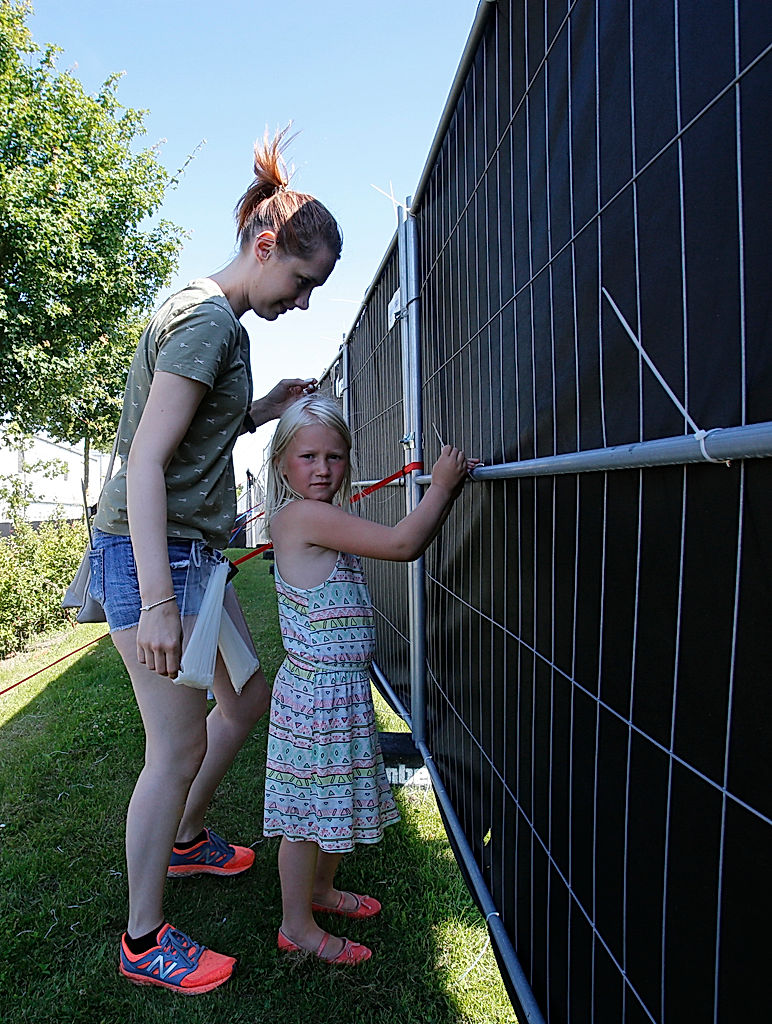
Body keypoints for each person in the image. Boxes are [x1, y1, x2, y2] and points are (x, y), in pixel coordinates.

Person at [89, 126, 343, 994]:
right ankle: (143, 939)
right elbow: (147, 462)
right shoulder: (205, 321)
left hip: (194, 555)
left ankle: (188, 839)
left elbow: (192, 431)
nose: (301, 302)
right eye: (301, 282)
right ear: (265, 247)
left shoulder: (219, 322)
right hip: (155, 558)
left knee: (246, 697)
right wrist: (158, 601)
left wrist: (264, 407)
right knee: (176, 744)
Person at [262, 394, 477, 964]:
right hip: (318, 698)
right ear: (282, 463)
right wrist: (442, 487)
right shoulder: (305, 516)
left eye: (334, 457)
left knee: (334, 799)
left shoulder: (321, 515)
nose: (322, 469)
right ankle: (295, 926)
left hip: (339, 690)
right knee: (305, 818)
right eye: (308, 457)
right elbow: (403, 544)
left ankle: (320, 890)